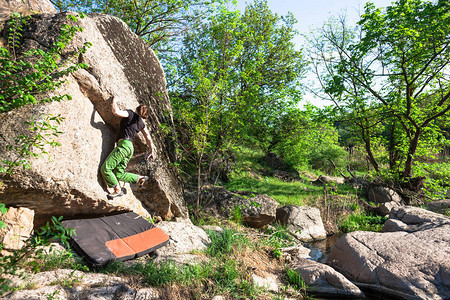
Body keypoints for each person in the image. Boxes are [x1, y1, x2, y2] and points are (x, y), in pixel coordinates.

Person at [101, 96, 156, 199]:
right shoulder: (141, 124)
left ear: (137, 108)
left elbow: (116, 112)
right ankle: (139, 178)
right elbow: (148, 137)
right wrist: (151, 150)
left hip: (123, 145)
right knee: (118, 174)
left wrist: (114, 101)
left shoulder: (130, 113)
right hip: (130, 148)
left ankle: (117, 190)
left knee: (106, 169)